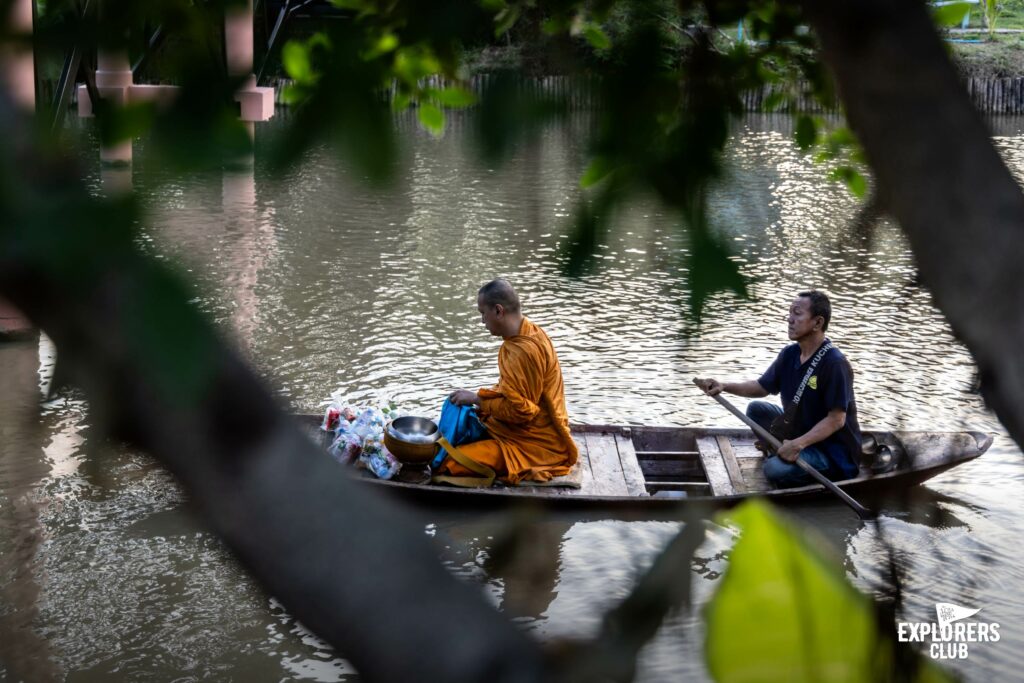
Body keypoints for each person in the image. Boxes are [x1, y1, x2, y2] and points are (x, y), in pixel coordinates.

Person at [695, 290, 861, 488]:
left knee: (774, 470)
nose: (790, 319)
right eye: (790, 313)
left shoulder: (835, 364)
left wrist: (798, 444)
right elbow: (760, 387)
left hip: (829, 449)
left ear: (817, 323)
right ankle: (783, 451)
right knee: (756, 409)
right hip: (799, 430)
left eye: (797, 314)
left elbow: (837, 420)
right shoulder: (790, 353)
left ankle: (791, 458)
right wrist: (723, 386)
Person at [440, 278, 578, 484]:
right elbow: (513, 391)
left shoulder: (522, 351)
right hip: (520, 430)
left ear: (498, 311)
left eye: (482, 313)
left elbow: (521, 411)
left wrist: (478, 400)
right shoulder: (530, 331)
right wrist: (479, 401)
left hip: (535, 445)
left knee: (449, 462)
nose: (482, 321)